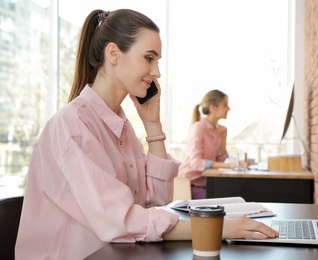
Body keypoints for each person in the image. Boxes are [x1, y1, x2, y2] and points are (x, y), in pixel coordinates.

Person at [15, 9, 278, 259]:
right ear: (113, 54)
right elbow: (122, 221)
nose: (157, 72)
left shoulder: (120, 126)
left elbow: (157, 198)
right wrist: (217, 228)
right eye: (149, 58)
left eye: (157, 61)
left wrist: (153, 124)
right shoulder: (73, 126)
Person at [178, 90, 239, 199]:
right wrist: (228, 165)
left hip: (206, 184)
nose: (229, 109)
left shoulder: (217, 130)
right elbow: (195, 163)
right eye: (225, 105)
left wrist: (223, 139)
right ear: (213, 108)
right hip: (189, 184)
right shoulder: (198, 128)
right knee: (221, 201)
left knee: (233, 195)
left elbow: (219, 162)